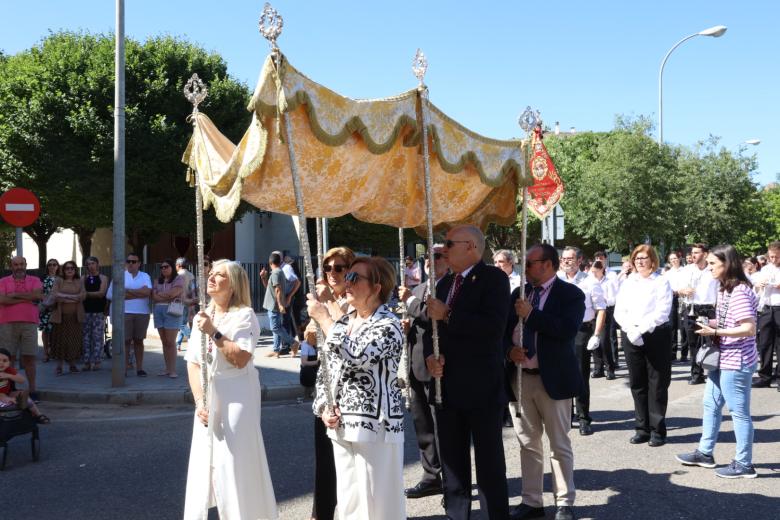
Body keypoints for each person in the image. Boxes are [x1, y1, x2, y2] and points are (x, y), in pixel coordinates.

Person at [308, 256, 405, 520]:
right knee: (350, 500)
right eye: (347, 277)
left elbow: (356, 356)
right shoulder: (345, 322)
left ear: (376, 288)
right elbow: (327, 370)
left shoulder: (389, 324)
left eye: (354, 278)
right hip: (340, 423)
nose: (347, 283)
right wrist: (324, 407)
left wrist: (325, 320)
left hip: (375, 425)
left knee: (376, 501)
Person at [425, 225, 510, 520]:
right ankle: (457, 514)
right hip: (447, 386)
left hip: (482, 387)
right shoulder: (443, 284)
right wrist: (429, 359)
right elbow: (430, 332)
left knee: (488, 463)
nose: (444, 249)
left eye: (449, 244)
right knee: (452, 462)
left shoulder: (494, 279)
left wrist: (448, 314)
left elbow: (493, 328)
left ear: (472, 246)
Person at [184, 260, 278, 519]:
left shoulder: (244, 315)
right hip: (208, 397)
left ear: (234, 284)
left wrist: (213, 332)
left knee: (234, 461)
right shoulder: (201, 317)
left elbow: (240, 359)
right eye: (210, 274)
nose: (211, 278)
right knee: (206, 464)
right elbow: (193, 363)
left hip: (237, 394)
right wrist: (200, 402)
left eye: (219, 275)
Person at [505, 243, 585, 520]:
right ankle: (532, 501)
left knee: (559, 444)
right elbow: (505, 331)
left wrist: (531, 315)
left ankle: (564, 501)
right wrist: (509, 350)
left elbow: (566, 330)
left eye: (529, 263)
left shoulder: (570, 294)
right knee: (528, 443)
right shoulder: (519, 293)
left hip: (553, 380)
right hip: (521, 378)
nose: (524, 268)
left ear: (548, 265)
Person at [675, 244, 760, 478]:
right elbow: (731, 322)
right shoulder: (725, 289)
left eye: (713, 263)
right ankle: (705, 453)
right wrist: (710, 325)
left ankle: (744, 464)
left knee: (738, 412)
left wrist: (715, 333)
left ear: (727, 264)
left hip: (736, 360)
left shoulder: (740, 291)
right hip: (723, 358)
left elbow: (748, 328)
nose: (709, 267)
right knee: (711, 405)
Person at [305, 246, 355, 520]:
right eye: (328, 268)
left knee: (347, 458)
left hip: (350, 387)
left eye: (339, 267)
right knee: (324, 456)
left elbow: (347, 335)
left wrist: (328, 307)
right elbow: (311, 336)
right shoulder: (323, 300)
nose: (332, 273)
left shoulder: (354, 299)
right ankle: (320, 513)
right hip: (326, 384)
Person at [398, 244, 447, 500]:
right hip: (416, 365)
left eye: (437, 256)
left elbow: (432, 316)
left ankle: (451, 478)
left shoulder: (449, 286)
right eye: (427, 256)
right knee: (422, 425)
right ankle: (430, 476)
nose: (431, 260)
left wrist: (410, 301)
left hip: (438, 366)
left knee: (442, 427)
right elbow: (416, 320)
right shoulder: (417, 289)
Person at [614, 245, 672, 447]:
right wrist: (630, 329)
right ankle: (642, 428)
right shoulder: (628, 282)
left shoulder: (661, 281)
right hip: (631, 333)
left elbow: (662, 311)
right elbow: (619, 309)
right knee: (637, 383)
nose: (639, 261)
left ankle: (658, 430)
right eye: (636, 258)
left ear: (652, 261)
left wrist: (642, 329)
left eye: (644, 258)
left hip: (655, 334)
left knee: (657, 383)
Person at [558, 246, 605, 436]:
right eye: (564, 258)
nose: (566, 261)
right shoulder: (556, 279)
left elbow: (601, 308)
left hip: (581, 331)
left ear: (579, 261)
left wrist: (596, 334)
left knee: (580, 375)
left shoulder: (590, 281)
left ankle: (584, 417)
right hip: (559, 331)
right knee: (561, 375)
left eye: (570, 258)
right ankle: (566, 416)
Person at [0, 256, 43, 402]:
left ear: (26, 265)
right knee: (8, 358)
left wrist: (15, 295)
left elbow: (38, 295)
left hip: (29, 323)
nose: (19, 267)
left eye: (21, 264)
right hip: (7, 323)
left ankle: (32, 390)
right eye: (15, 264)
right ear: (11, 266)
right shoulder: (3, 281)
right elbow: (2, 300)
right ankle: (9, 389)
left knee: (29, 358)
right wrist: (28, 298)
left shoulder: (35, 280)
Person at [107, 253, 153, 377]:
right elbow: (111, 295)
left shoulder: (145, 276)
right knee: (125, 341)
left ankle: (140, 368)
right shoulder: (119, 276)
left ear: (139, 263)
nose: (131, 264)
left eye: (134, 261)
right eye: (129, 261)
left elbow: (147, 292)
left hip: (142, 313)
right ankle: (125, 368)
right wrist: (138, 292)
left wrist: (127, 292)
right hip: (124, 312)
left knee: (139, 341)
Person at [679, 244, 719, 385]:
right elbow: (677, 287)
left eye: (696, 252)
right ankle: (697, 374)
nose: (693, 255)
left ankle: (714, 372)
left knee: (712, 342)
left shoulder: (712, 269)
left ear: (705, 254)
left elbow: (718, 291)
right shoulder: (686, 270)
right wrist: (683, 290)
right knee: (693, 343)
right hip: (691, 308)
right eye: (692, 252)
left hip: (709, 309)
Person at [49, 261, 86, 375]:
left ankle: (72, 365)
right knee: (60, 342)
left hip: (75, 318)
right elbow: (55, 295)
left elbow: (83, 296)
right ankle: (59, 366)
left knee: (74, 341)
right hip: (61, 318)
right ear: (63, 270)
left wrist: (65, 297)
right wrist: (73, 297)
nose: (70, 270)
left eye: (72, 268)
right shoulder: (59, 280)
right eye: (67, 268)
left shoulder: (79, 281)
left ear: (75, 270)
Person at [753, 241, 780, 389]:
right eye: (771, 257)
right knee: (764, 344)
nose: (773, 259)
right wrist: (759, 285)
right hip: (766, 308)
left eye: (776, 257)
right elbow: (756, 288)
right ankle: (765, 376)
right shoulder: (765, 269)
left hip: (779, 307)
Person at [261, 252, 298, 358]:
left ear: (270, 262)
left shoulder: (276, 273)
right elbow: (270, 288)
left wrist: (280, 304)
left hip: (274, 305)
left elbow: (278, 290)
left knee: (275, 327)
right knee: (277, 327)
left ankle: (293, 343)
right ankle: (276, 350)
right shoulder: (277, 272)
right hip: (272, 305)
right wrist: (264, 277)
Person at [152, 258, 185, 378]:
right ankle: (167, 369)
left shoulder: (178, 279)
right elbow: (154, 297)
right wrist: (164, 296)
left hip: (172, 311)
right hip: (158, 311)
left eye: (166, 266)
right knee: (164, 342)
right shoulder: (157, 280)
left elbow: (173, 294)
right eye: (162, 267)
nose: (164, 269)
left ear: (172, 267)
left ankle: (172, 370)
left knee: (171, 342)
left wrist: (160, 295)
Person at [0, 347, 50, 423]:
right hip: (2, 396)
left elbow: (22, 380)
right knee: (9, 401)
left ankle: (38, 414)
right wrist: (5, 398)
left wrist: (9, 375)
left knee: (24, 396)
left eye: (5, 361)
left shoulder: (8, 370)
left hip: (8, 393)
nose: (1, 363)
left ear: (9, 362)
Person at [589, 260, 617, 379]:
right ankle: (598, 368)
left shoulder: (608, 283)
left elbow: (613, 299)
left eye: (596, 271)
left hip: (605, 312)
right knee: (594, 342)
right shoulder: (590, 282)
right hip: (593, 313)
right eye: (592, 271)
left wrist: (603, 301)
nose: (594, 274)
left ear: (601, 270)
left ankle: (610, 369)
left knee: (604, 341)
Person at [82, 256, 108, 371]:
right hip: (85, 311)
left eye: (92, 263)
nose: (90, 266)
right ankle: (86, 362)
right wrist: (91, 294)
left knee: (97, 337)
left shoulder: (103, 278)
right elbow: (81, 293)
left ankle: (97, 361)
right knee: (86, 337)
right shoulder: (83, 278)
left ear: (97, 264)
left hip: (98, 311)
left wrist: (86, 294)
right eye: (88, 264)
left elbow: (101, 293)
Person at [664, 250, 687, 362]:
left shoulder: (686, 271)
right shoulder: (668, 273)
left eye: (675, 258)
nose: (673, 260)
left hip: (684, 299)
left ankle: (684, 353)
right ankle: (672, 353)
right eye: (671, 259)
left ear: (680, 258)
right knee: (672, 326)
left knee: (683, 327)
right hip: (672, 299)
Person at [38, 258, 60, 363]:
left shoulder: (60, 279)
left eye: (54, 264)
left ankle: (54, 351)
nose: (52, 266)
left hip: (56, 308)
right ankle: (45, 353)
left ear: (57, 266)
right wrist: (46, 302)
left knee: (55, 330)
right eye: (50, 265)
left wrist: (54, 303)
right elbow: (39, 292)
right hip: (45, 308)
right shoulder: (42, 278)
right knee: (45, 331)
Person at [175, 258, 196, 351]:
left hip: (179, 302)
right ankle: (178, 344)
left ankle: (192, 338)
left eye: (176, 265)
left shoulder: (178, 275)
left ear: (179, 265)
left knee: (180, 324)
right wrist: (193, 301)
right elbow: (193, 289)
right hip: (189, 301)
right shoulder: (191, 275)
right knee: (183, 322)